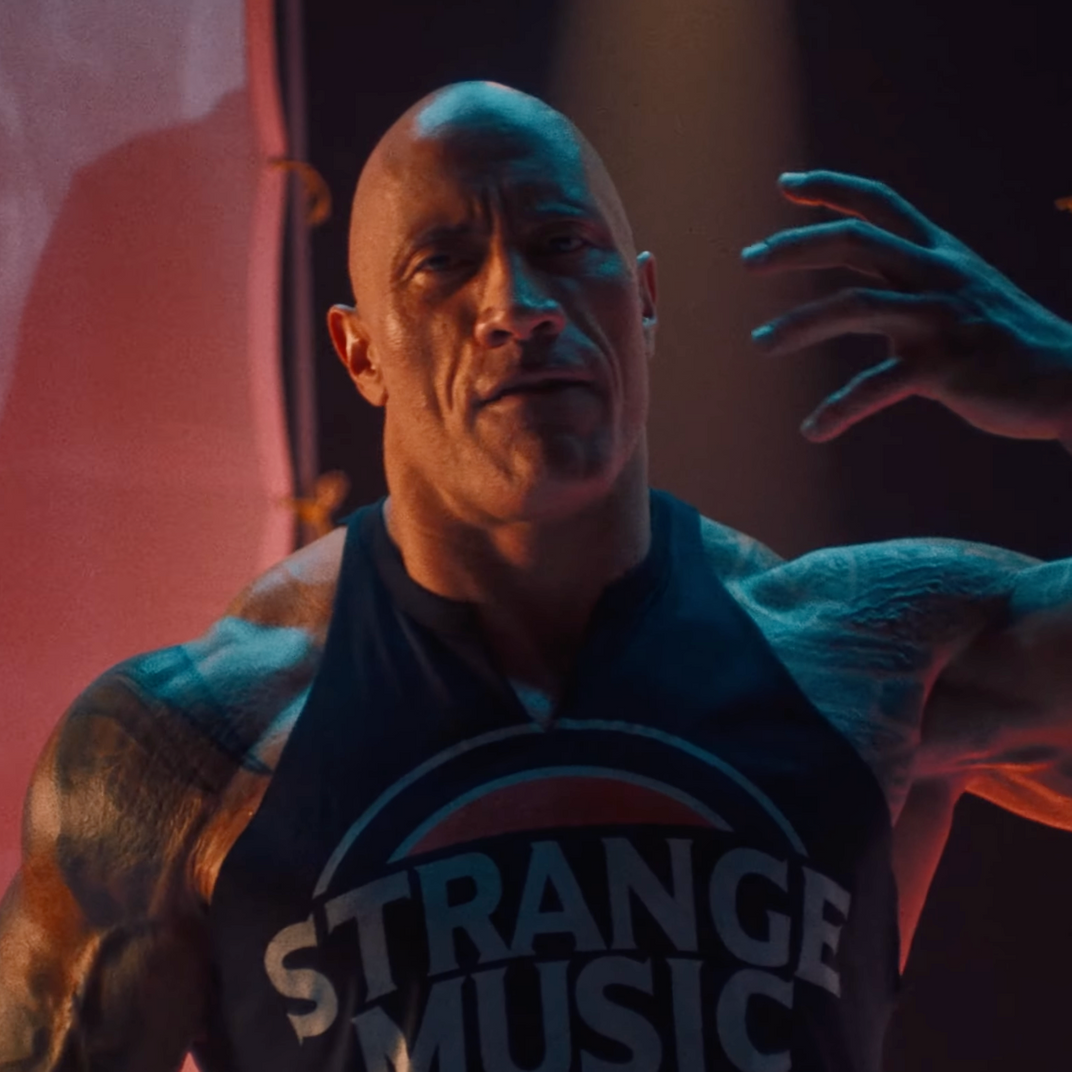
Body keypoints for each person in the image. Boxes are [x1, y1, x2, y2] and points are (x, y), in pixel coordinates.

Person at [2, 80, 1072, 1072]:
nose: (518, 302)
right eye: (441, 264)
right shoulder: (189, 745)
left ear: (643, 299)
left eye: (563, 244)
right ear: (361, 353)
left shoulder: (863, 655)